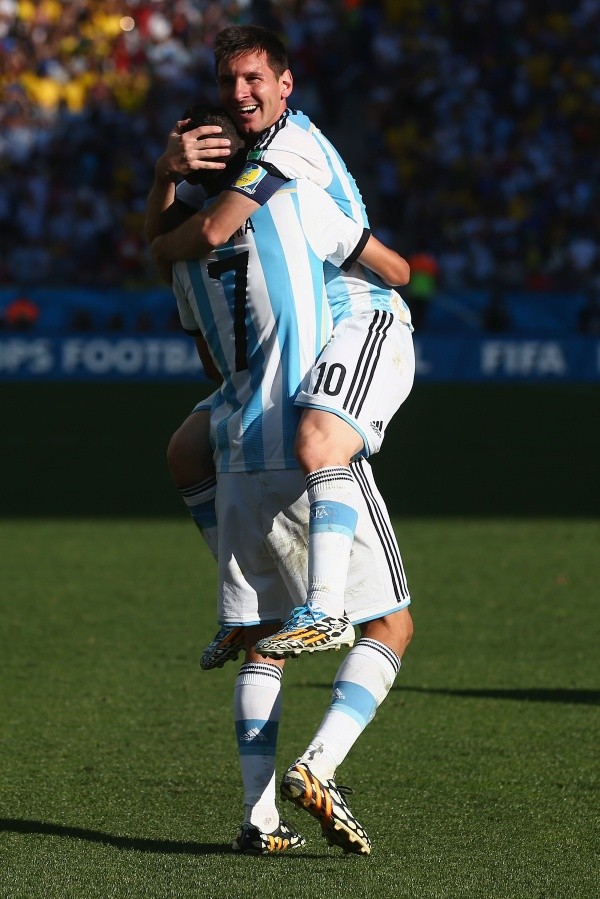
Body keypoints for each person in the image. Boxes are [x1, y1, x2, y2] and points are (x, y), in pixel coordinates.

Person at [165, 105, 414, 857]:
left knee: (264, 642)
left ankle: (258, 818)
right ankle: (321, 758)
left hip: (235, 449)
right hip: (303, 436)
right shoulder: (297, 197)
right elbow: (396, 271)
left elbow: (211, 360)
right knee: (390, 624)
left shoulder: (181, 263)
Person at [147, 24, 414, 662]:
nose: (238, 92)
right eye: (227, 81)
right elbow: (166, 230)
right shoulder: (244, 144)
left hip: (352, 313)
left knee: (317, 440)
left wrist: (162, 247)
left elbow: (203, 233)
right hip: (300, 319)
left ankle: (323, 606)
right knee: (187, 451)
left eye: (253, 79)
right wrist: (164, 174)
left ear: (284, 85)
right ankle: (251, 603)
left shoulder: (289, 149)